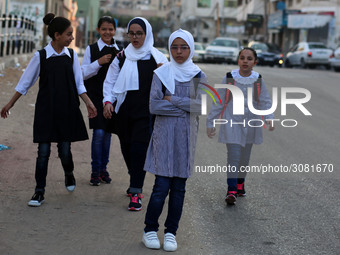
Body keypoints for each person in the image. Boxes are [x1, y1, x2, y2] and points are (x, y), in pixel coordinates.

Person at [0, 13, 97, 207]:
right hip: (46, 111)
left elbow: (79, 85)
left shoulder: (71, 57)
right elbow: (24, 83)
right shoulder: (41, 56)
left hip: (67, 109)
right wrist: (10, 104)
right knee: (43, 152)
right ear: (57, 35)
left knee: (65, 151)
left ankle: (69, 174)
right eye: (69, 34)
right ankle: (39, 192)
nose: (71, 38)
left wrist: (89, 103)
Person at [142, 29, 206, 251]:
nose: (179, 52)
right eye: (174, 47)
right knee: (161, 187)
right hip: (163, 137)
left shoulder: (198, 75)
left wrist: (172, 99)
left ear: (191, 48)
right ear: (169, 49)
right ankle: (150, 229)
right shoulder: (160, 74)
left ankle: (171, 232)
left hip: (185, 141)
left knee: (179, 188)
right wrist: (184, 107)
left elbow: (200, 106)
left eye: (184, 47)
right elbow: (154, 105)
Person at [102, 17, 168, 211]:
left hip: (146, 113)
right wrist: (108, 102)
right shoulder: (122, 57)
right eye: (132, 33)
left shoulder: (158, 58)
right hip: (124, 110)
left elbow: (168, 85)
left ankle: (136, 191)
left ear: (147, 34)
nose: (135, 37)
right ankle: (135, 176)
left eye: (139, 33)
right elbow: (110, 81)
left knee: (139, 149)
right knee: (127, 147)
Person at [206, 47, 275, 205]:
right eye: (242, 58)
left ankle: (240, 183)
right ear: (238, 60)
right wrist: (211, 121)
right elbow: (219, 101)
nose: (245, 61)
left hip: (251, 123)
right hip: (232, 122)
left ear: (255, 63)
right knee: (234, 156)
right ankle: (231, 189)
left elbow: (264, 101)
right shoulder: (230, 78)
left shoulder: (258, 80)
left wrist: (269, 117)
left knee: (244, 158)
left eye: (249, 58)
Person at [81, 16, 120, 186]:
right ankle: (95, 171)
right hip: (95, 97)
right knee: (98, 134)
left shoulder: (120, 50)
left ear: (115, 31)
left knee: (107, 135)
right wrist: (98, 62)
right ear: (98, 30)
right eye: (104, 29)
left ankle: (104, 168)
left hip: (111, 99)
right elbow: (82, 73)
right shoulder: (92, 49)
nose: (107, 32)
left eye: (110, 29)